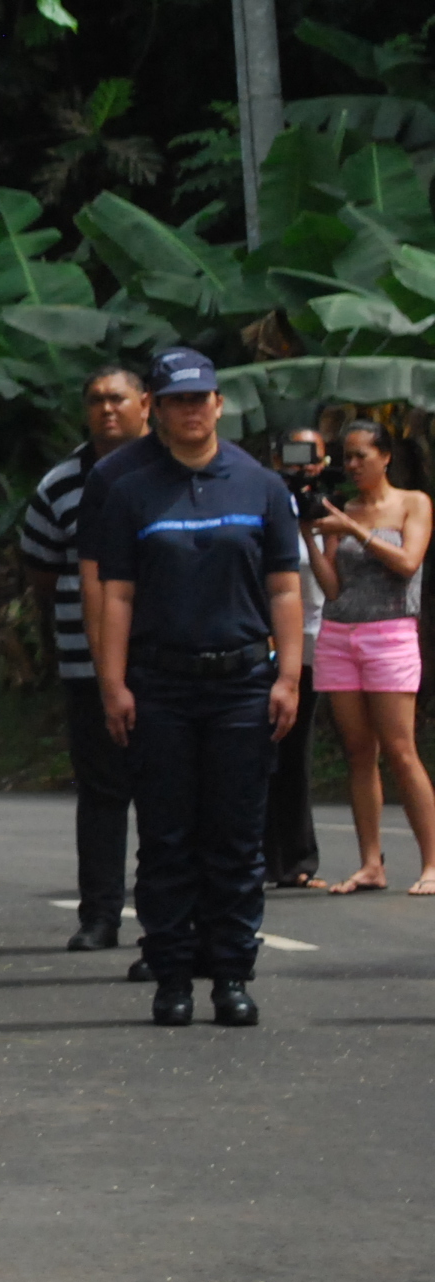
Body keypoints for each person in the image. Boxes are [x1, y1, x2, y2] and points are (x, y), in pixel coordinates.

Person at [93, 347, 302, 1028]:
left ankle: (233, 974)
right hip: (160, 685)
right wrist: (113, 683)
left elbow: (284, 588)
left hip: (242, 682)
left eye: (200, 398)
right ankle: (173, 975)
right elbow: (115, 596)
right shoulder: (129, 489)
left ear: (219, 403)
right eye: (176, 399)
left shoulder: (261, 485)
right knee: (167, 838)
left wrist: (290, 675)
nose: (190, 410)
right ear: (156, 408)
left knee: (236, 840)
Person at [20, 366, 151, 953]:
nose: (107, 410)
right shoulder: (58, 486)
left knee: (164, 797)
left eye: (117, 399)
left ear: (145, 404)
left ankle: (163, 918)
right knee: (101, 794)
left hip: (161, 664)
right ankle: (99, 914)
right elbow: (42, 574)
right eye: (95, 399)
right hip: (86, 668)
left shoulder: (170, 472)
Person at [305, 419, 435, 894]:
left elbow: (407, 563)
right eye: (347, 457)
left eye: (361, 455)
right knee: (359, 751)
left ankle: (431, 864)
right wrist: (310, 534)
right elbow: (333, 587)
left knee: (400, 749)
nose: (353, 464)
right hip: (341, 634)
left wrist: (353, 529)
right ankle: (369, 863)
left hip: (390, 633)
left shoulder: (413, 503)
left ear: (386, 457)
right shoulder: (343, 509)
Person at [263, 426, 330, 888]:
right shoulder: (263, 502)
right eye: (292, 455)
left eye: (312, 456)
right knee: (260, 751)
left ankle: (297, 858)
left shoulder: (333, 509)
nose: (302, 464)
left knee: (296, 754)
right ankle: (259, 857)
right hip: (268, 643)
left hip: (316, 645)